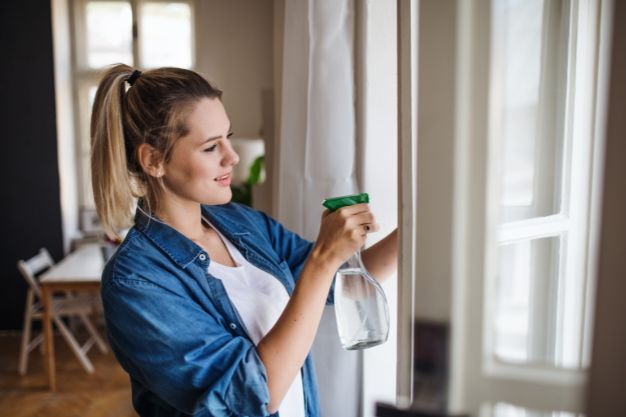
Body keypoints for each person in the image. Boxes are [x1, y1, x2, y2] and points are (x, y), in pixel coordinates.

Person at [91, 64, 398, 417]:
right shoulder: (136, 282)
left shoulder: (240, 222)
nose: (232, 156)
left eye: (228, 137)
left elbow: (337, 281)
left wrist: (420, 225)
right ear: (154, 160)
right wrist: (322, 260)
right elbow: (251, 397)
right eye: (210, 147)